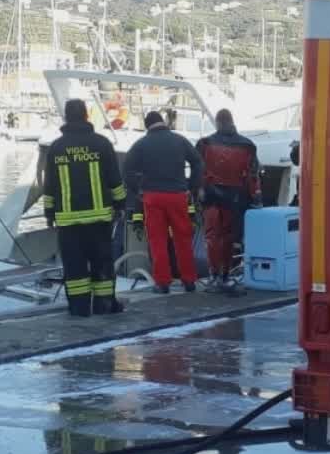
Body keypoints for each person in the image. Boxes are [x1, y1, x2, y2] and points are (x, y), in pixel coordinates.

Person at [40, 98, 128, 316]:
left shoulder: (56, 148)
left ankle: (79, 309)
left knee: (75, 268)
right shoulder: (102, 144)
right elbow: (114, 180)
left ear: (66, 118)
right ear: (86, 116)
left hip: (68, 222)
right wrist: (120, 204)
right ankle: (105, 306)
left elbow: (49, 185)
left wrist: (49, 214)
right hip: (99, 221)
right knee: (102, 264)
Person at [124, 109, 203, 293]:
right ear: (163, 122)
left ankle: (162, 282)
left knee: (157, 241)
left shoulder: (141, 144)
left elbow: (127, 170)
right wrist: (192, 185)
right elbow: (197, 161)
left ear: (147, 126)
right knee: (182, 239)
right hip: (177, 196)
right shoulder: (179, 140)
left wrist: (139, 190)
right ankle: (189, 280)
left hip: (153, 197)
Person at [196, 109, 261, 292]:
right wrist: (256, 197)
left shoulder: (205, 143)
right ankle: (226, 274)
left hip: (211, 196)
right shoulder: (248, 145)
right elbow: (252, 175)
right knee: (229, 238)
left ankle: (214, 274)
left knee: (212, 236)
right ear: (232, 121)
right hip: (236, 197)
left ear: (217, 123)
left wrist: (198, 193)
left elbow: (198, 172)